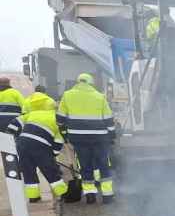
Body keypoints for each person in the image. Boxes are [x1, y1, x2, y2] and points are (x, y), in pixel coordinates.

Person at [57, 73, 115, 204]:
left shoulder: (67, 95)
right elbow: (108, 119)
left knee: (85, 165)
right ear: (91, 83)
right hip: (100, 138)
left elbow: (60, 119)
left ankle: (90, 195)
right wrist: (112, 135)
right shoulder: (100, 96)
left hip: (78, 138)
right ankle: (107, 195)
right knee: (103, 164)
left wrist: (65, 134)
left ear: (78, 82)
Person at [6, 92, 67, 203]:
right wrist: (54, 153)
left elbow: (13, 125)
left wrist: (13, 137)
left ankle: (33, 196)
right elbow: (59, 140)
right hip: (41, 147)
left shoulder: (30, 115)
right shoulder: (55, 118)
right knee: (50, 170)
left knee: (28, 170)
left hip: (22, 145)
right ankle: (63, 193)